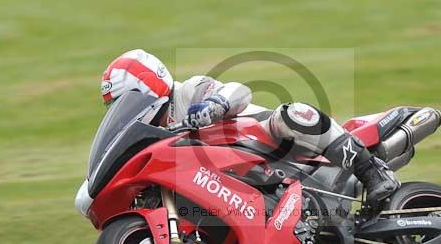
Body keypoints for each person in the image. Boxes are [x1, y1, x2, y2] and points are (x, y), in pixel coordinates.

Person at [100, 49, 398, 203]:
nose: (122, 109)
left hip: (271, 146)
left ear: (148, 85)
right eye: (115, 106)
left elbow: (238, 91)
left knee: (290, 114)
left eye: (124, 99)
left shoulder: (188, 90)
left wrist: (213, 105)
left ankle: (370, 170)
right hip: (236, 182)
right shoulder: (151, 135)